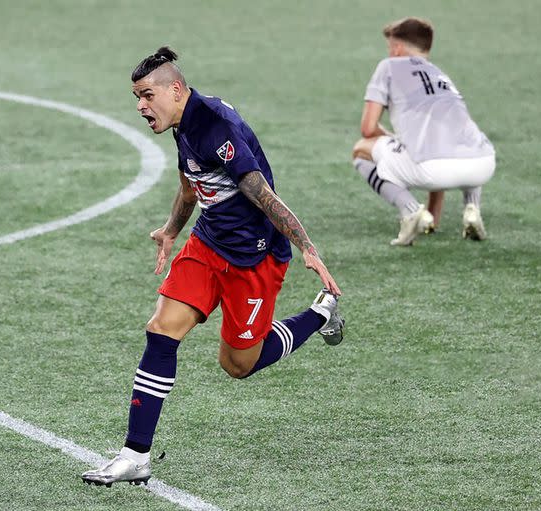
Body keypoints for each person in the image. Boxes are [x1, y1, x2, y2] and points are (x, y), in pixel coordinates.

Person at [82, 47, 344, 487]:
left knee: (239, 364)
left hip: (255, 257)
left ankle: (320, 314)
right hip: (208, 245)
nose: (140, 106)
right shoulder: (182, 123)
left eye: (147, 96)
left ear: (176, 89)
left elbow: (264, 196)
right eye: (136, 97)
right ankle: (135, 455)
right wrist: (170, 231)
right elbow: (190, 187)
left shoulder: (215, 128)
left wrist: (307, 247)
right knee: (162, 330)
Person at [351, 17, 496, 245]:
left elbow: (368, 128)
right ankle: (472, 208)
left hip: (432, 166)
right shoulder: (440, 75)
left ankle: (409, 210)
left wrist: (393, 140)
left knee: (361, 150)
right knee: (463, 139)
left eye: (390, 47)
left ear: (397, 48)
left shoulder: (388, 66)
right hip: (483, 164)